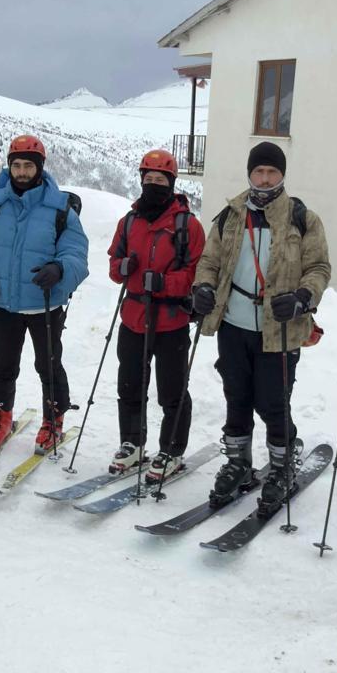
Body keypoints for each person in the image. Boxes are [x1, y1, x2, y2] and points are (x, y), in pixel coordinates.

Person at [191, 141, 331, 508]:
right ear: (250, 174)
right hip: (234, 324)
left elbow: (319, 267)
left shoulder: (303, 218)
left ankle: (283, 466)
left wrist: (303, 296)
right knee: (236, 397)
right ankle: (238, 463)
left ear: (282, 174)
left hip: (280, 328)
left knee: (272, 402)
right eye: (259, 171)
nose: (265, 178)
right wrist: (203, 287)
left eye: (272, 171)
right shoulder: (230, 216)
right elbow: (209, 261)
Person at [0, 134, 89, 452]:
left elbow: (77, 253)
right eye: (16, 165)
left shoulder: (60, 209)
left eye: (28, 166)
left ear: (40, 168)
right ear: (9, 167)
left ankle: (54, 420)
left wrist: (61, 269)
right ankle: (1, 416)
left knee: (49, 365)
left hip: (45, 304)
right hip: (6, 304)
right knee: (3, 365)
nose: (22, 172)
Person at [107, 149, 205, 481]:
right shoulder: (129, 222)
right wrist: (123, 267)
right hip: (133, 317)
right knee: (130, 386)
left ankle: (172, 450)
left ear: (172, 183)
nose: (153, 185)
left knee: (172, 390)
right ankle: (132, 444)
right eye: (147, 179)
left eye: (160, 180)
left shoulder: (187, 226)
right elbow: (113, 265)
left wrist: (165, 282)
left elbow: (198, 272)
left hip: (171, 321)